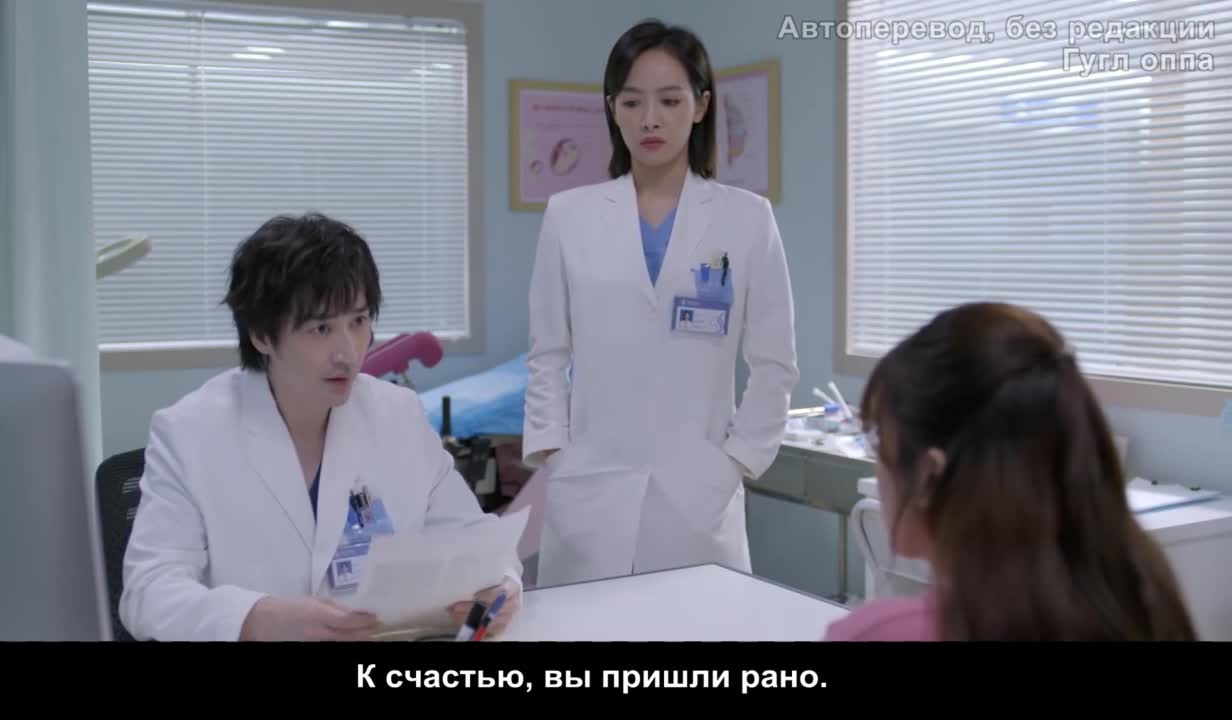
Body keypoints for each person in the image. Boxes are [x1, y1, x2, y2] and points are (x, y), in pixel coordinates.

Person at [119, 213, 522, 641]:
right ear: (261, 335)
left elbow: (475, 538)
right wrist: (255, 618)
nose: (347, 353)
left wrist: (501, 588)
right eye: (321, 328)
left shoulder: (398, 414)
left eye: (358, 322)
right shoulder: (190, 432)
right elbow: (148, 591)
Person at [523, 19, 798, 587]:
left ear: (701, 105)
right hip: (589, 491)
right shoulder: (569, 216)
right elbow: (547, 353)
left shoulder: (747, 219)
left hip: (699, 495)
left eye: (670, 100)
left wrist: (737, 461)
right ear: (612, 109)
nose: (650, 119)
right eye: (632, 102)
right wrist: (555, 453)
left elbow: (774, 363)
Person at [824, 302, 1197, 641]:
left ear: (930, 475)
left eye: (879, 441)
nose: (877, 461)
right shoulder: (1152, 602)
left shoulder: (885, 634)